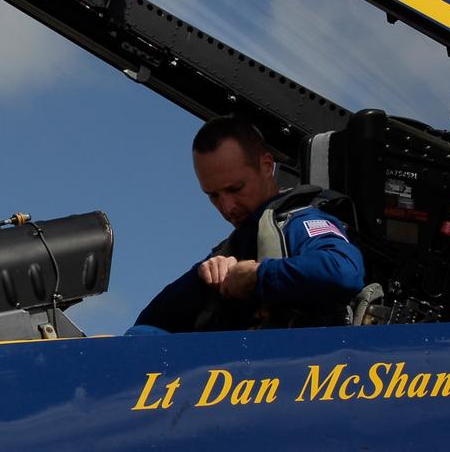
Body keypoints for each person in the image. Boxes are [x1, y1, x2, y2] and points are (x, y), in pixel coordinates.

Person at [131, 116, 364, 333]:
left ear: (266, 165)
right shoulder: (228, 251)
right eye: (213, 195)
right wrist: (207, 275)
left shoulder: (298, 221)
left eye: (235, 189)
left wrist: (257, 275)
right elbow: (147, 326)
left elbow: (343, 270)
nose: (227, 207)